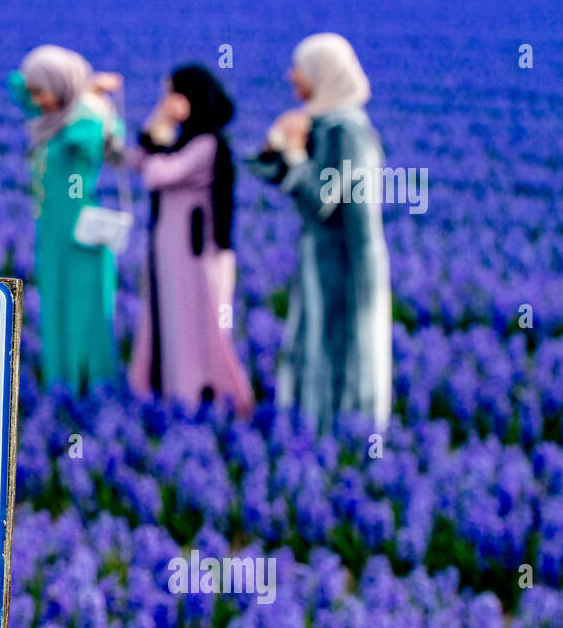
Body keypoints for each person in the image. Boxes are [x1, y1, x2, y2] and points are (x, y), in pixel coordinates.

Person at [250, 32, 392, 435]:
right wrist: (275, 145)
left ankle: (338, 433)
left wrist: (294, 154)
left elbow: (320, 200)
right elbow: (273, 173)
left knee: (337, 346)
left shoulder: (344, 131)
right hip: (326, 257)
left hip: (344, 261)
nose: (291, 75)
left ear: (323, 73)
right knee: (319, 342)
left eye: (300, 68)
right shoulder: (326, 123)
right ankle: (318, 428)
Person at [127, 65, 254, 417]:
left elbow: (156, 173)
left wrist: (158, 131)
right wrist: (158, 124)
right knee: (169, 318)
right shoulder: (184, 138)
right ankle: (169, 391)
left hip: (196, 251)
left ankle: (203, 394)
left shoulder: (208, 143)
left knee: (197, 322)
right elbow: (138, 160)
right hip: (170, 248)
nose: (166, 102)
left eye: (172, 95)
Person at [7, 45, 126, 393]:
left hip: (81, 233)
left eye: (41, 91)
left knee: (82, 308)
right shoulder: (55, 119)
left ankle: (86, 387)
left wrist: (88, 92)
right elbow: (18, 89)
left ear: (62, 88)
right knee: (56, 304)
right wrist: (81, 86)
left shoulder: (84, 123)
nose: (36, 101)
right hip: (53, 231)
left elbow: (89, 135)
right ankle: (60, 381)